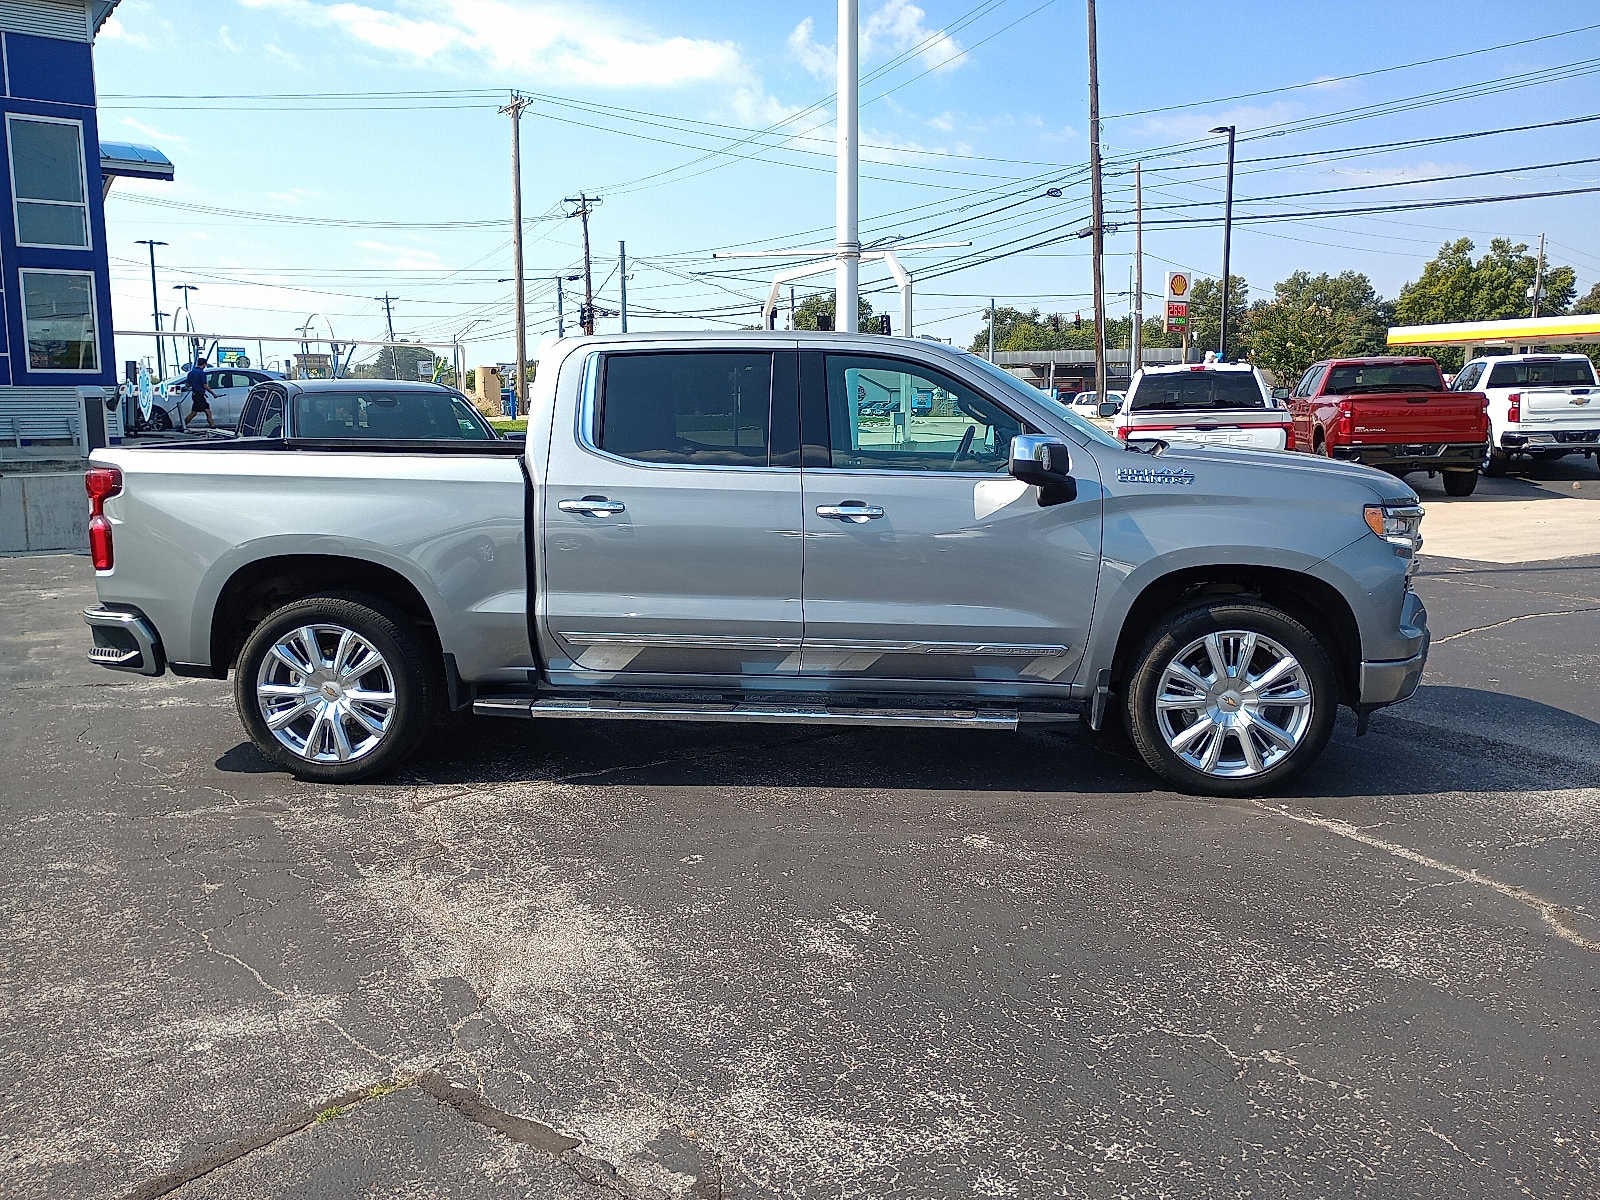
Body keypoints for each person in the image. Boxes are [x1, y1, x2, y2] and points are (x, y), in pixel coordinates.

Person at [183, 358, 217, 430]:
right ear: (204, 364)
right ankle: (212, 426)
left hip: (195, 395)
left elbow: (187, 385)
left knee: (194, 412)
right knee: (207, 410)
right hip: (199, 395)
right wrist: (213, 393)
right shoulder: (202, 373)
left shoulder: (191, 373)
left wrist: (194, 386)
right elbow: (205, 386)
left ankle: (183, 425)